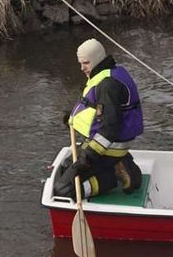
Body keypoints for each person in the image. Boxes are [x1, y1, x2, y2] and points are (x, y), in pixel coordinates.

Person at [54, 38, 144, 200]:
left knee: (64, 190)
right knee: (66, 166)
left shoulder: (108, 85)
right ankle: (121, 164)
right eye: (80, 63)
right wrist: (73, 117)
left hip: (110, 147)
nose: (82, 68)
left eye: (86, 63)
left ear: (96, 59)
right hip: (108, 144)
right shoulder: (109, 72)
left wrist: (86, 158)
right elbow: (98, 109)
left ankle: (110, 179)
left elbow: (109, 129)